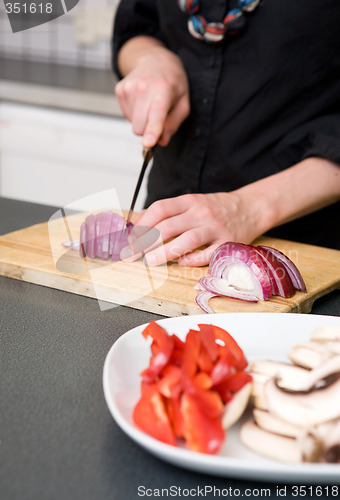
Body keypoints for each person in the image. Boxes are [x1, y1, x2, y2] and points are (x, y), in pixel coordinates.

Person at [112, 0, 340, 266]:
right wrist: (151, 58)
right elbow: (138, 26)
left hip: (307, 250)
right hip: (165, 234)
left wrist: (248, 209)